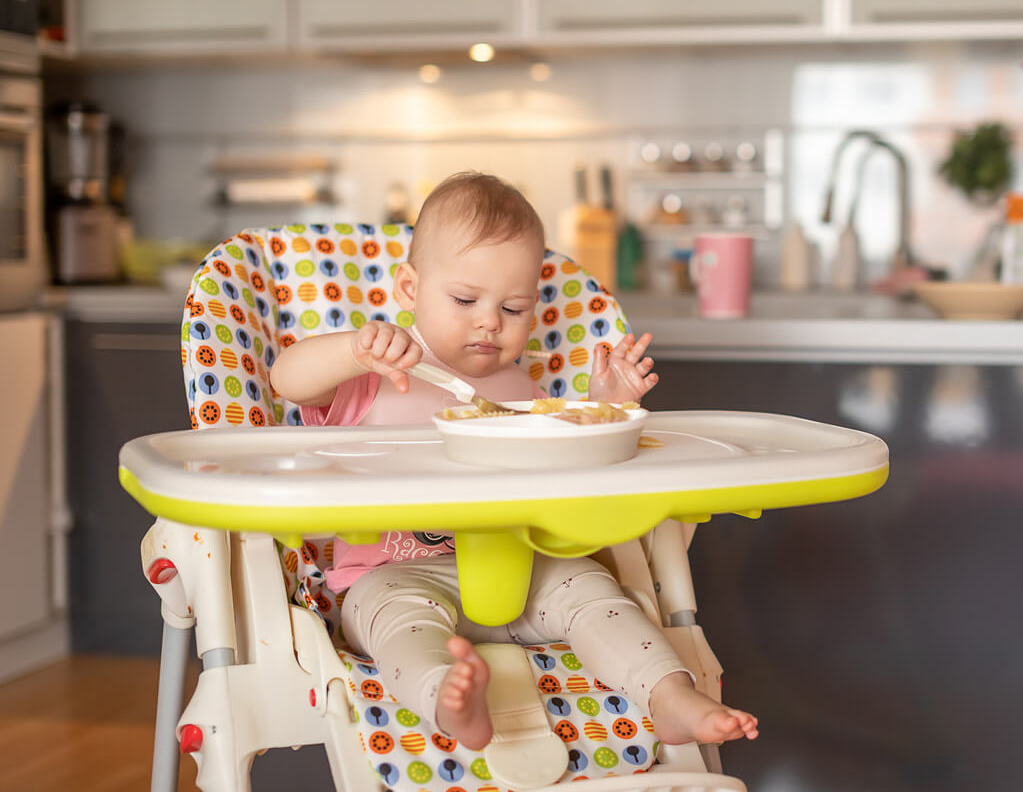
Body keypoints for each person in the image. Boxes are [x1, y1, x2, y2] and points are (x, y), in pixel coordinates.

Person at [269, 171, 757, 751]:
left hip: (525, 572)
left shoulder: (519, 385)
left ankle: (668, 695)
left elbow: (567, 457)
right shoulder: (378, 373)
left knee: (596, 592)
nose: (488, 321)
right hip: (391, 572)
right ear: (408, 288)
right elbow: (288, 382)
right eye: (464, 299)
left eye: (514, 307)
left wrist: (606, 407)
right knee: (393, 626)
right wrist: (353, 350)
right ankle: (451, 699)